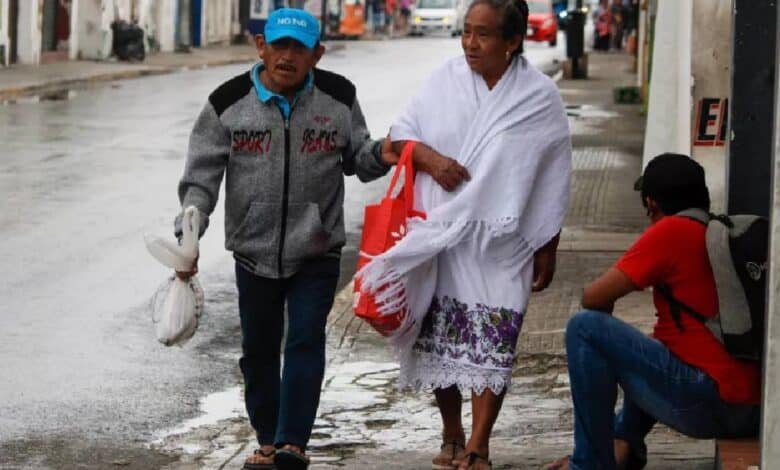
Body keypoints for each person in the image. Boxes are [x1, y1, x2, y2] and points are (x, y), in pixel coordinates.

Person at [174, 8, 397, 470]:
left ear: (317, 53)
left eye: (299, 49)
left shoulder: (338, 98)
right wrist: (189, 231)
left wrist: (385, 153)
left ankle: (293, 442)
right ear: (261, 47)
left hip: (317, 248)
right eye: (279, 46)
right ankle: (268, 440)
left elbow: (358, 157)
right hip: (253, 251)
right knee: (258, 351)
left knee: (304, 341)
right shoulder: (228, 102)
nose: (287, 57)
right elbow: (201, 178)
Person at [356, 1, 572, 468]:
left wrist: (548, 242)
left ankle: (480, 443)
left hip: (505, 242)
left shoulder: (538, 97)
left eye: (484, 35)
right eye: (466, 32)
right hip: (445, 234)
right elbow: (400, 136)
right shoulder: (444, 81)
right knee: (442, 336)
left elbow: (554, 172)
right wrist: (433, 160)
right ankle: (452, 433)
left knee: (497, 337)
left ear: (512, 41)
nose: (470, 44)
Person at [544, 154, 761, 470]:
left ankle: (590, 463)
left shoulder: (671, 231)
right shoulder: (716, 232)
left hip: (711, 403)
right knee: (655, 347)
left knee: (585, 328)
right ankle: (624, 443)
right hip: (752, 407)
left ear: (651, 204)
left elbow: (593, 297)